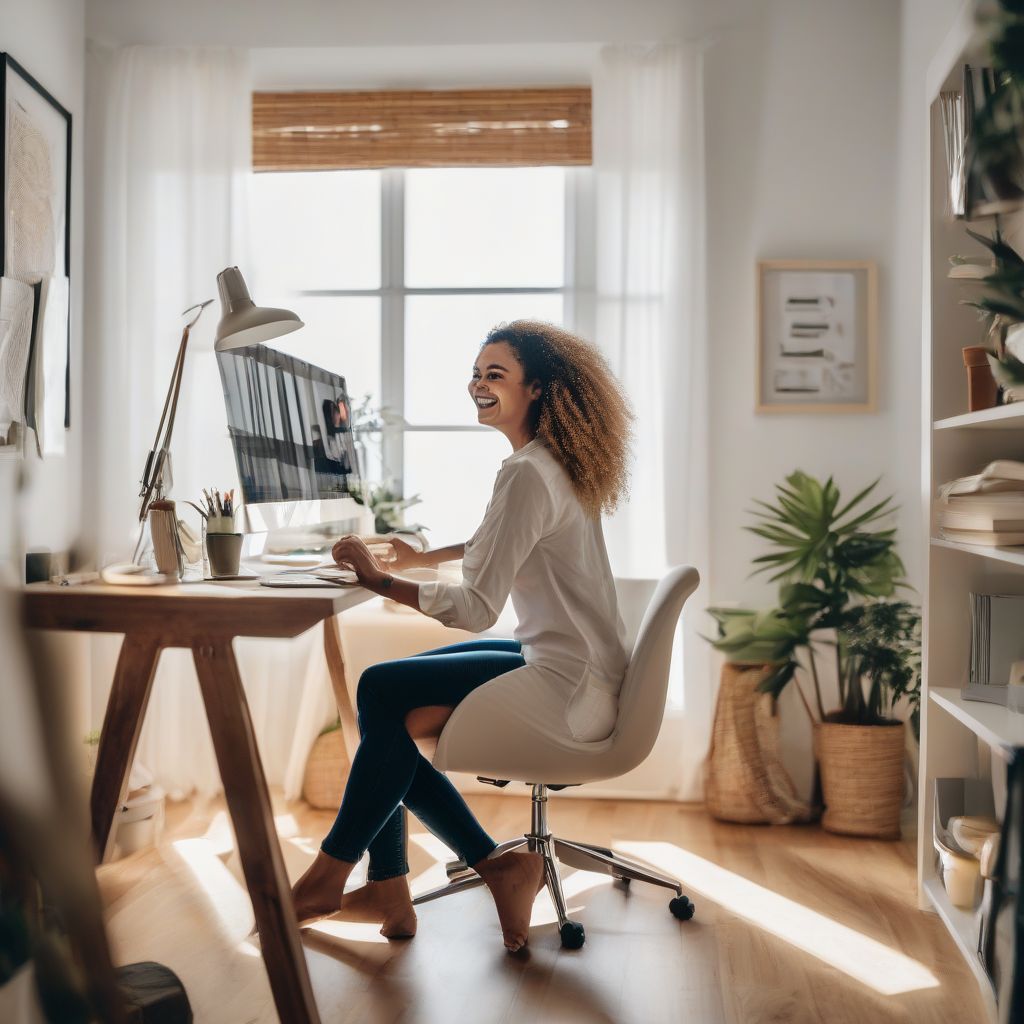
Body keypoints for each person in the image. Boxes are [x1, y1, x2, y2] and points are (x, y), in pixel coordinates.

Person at [290, 319, 634, 952]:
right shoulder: (547, 465)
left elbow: (477, 606)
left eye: (495, 374)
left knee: (380, 693)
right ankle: (447, 877)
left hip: (567, 683)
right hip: (572, 661)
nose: (477, 384)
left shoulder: (529, 472)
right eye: (476, 373)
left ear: (538, 389)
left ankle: (345, 874)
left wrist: (377, 581)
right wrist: (415, 560)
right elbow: (497, 545)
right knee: (388, 700)